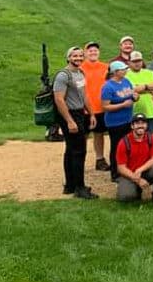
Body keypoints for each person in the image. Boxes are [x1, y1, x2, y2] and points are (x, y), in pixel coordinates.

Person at [54, 46, 98, 199]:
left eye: (80, 56)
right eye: (75, 56)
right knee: (79, 151)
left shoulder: (80, 73)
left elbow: (84, 95)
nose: (78, 58)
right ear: (68, 57)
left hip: (80, 113)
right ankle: (80, 187)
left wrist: (91, 113)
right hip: (69, 114)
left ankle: (70, 185)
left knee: (71, 149)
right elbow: (59, 99)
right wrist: (69, 121)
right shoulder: (63, 75)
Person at [115, 113, 153, 207]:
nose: (140, 126)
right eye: (137, 123)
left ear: (146, 126)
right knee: (125, 197)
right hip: (129, 174)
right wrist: (138, 179)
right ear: (132, 126)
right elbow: (121, 168)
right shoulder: (123, 142)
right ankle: (134, 189)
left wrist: (140, 169)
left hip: (146, 172)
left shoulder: (152, 138)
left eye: (143, 123)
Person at [101, 60, 139, 183]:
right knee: (117, 147)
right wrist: (122, 105)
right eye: (123, 69)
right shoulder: (108, 86)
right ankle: (115, 173)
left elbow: (132, 94)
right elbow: (105, 106)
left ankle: (126, 169)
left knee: (128, 146)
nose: (125, 71)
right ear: (115, 72)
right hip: (115, 123)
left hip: (128, 120)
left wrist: (135, 97)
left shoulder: (126, 81)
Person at [80, 42, 110, 172]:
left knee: (99, 134)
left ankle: (100, 159)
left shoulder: (105, 67)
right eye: (90, 50)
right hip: (84, 108)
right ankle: (79, 160)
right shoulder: (80, 68)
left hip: (100, 107)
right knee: (83, 136)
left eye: (95, 50)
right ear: (85, 53)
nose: (93, 53)